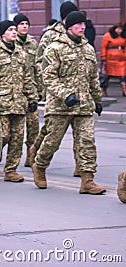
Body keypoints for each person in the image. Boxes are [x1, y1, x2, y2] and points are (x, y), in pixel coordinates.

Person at [33, 11, 106, 195]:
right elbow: (48, 77)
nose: (83, 27)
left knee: (87, 141)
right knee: (52, 141)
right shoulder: (55, 48)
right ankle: (40, 166)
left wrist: (97, 100)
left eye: (84, 24)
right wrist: (65, 94)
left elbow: (93, 79)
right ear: (69, 26)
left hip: (84, 105)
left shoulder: (88, 49)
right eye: (79, 24)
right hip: (61, 106)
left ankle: (87, 180)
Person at [0, 20, 38, 181]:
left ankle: (11, 170)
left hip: (19, 103)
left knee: (17, 138)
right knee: (2, 136)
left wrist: (32, 98)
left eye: (14, 29)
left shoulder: (21, 53)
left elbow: (27, 78)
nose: (14, 32)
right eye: (10, 29)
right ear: (3, 33)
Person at [31, 0, 81, 177]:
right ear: (63, 18)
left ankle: (81, 165)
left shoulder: (79, 33)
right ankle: (35, 150)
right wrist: (47, 85)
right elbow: (40, 61)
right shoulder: (51, 35)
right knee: (52, 129)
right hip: (56, 89)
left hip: (78, 90)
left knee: (82, 132)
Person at [13, 13, 41, 167]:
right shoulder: (11, 42)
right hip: (14, 92)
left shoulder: (32, 43)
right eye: (21, 24)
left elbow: (37, 68)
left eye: (26, 23)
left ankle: (31, 156)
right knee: (14, 131)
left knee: (33, 126)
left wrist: (40, 89)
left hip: (31, 91)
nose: (24, 26)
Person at [100, 22, 126, 97]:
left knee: (123, 75)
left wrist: (124, 55)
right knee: (106, 75)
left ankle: (124, 89)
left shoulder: (123, 36)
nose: (119, 31)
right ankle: (103, 89)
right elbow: (103, 47)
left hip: (121, 59)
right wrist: (103, 57)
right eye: (118, 29)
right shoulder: (108, 36)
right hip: (110, 59)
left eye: (120, 29)